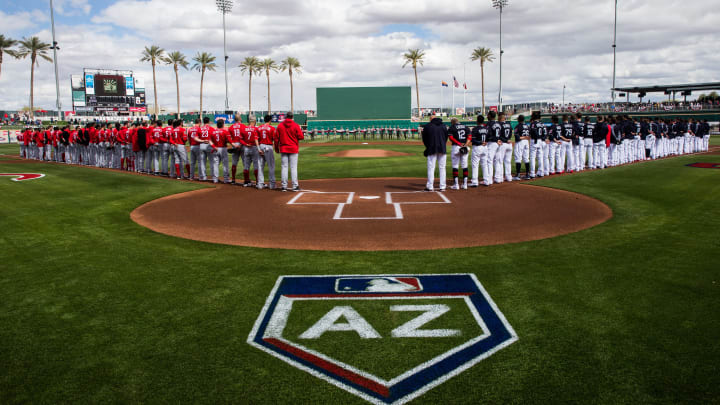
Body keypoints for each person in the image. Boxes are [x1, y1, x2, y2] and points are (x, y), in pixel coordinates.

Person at [276, 112, 304, 192]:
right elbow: (301, 137)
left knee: (284, 167)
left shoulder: (280, 125)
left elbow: (276, 138)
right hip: (293, 148)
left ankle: (284, 186)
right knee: (293, 168)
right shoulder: (296, 125)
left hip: (284, 148)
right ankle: (295, 186)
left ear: (285, 117)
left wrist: (276, 148)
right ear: (292, 117)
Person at [448, 118, 470, 189]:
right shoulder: (466, 127)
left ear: (453, 122)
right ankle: (465, 184)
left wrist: (458, 143)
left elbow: (451, 137)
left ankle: (456, 185)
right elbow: (469, 137)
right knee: (465, 165)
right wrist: (466, 144)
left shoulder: (452, 127)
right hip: (465, 146)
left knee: (455, 165)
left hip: (456, 147)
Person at [257, 115, 278, 189]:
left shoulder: (259, 127)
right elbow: (274, 139)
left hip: (261, 146)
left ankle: (260, 184)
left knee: (260, 166)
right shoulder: (272, 128)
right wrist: (276, 148)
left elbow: (256, 139)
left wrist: (258, 148)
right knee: (271, 166)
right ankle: (272, 185)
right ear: (270, 120)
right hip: (268, 147)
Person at [470, 115, 491, 187]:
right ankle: (486, 181)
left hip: (477, 147)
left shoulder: (475, 129)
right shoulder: (487, 129)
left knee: (475, 165)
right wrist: (485, 142)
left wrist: (480, 142)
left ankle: (475, 182)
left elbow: (472, 140)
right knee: (484, 164)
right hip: (485, 147)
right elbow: (489, 138)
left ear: (477, 121)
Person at [240, 116, 261, 187]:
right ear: (254, 121)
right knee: (256, 165)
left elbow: (241, 139)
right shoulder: (256, 129)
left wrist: (246, 144)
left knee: (246, 166)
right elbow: (259, 139)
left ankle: (246, 182)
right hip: (254, 148)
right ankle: (258, 182)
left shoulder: (244, 129)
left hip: (246, 148)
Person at [209, 119, 230, 184]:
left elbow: (209, 141)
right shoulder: (225, 131)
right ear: (223, 124)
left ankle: (215, 179)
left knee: (215, 164)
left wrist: (213, 146)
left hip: (216, 149)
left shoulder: (213, 132)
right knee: (225, 164)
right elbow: (228, 140)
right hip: (223, 149)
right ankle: (226, 179)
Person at [228, 115, 246, 184]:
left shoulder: (231, 127)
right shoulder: (243, 126)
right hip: (242, 145)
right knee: (245, 163)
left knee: (234, 163)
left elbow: (229, 138)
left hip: (234, 145)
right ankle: (246, 180)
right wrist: (240, 145)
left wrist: (234, 145)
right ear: (240, 119)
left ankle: (233, 180)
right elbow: (245, 137)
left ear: (234, 120)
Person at [529, 112, 547, 178]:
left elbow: (533, 131)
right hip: (541, 141)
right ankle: (541, 172)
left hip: (534, 140)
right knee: (540, 157)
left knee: (532, 157)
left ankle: (532, 173)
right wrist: (542, 138)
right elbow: (545, 133)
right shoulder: (542, 124)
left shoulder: (533, 124)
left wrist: (536, 138)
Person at [513, 114, 531, 180]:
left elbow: (517, 137)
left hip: (520, 142)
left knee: (518, 158)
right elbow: (530, 135)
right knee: (526, 158)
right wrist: (526, 137)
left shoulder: (517, 126)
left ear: (519, 119)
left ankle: (518, 175)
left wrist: (523, 137)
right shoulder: (527, 126)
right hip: (526, 142)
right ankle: (527, 174)